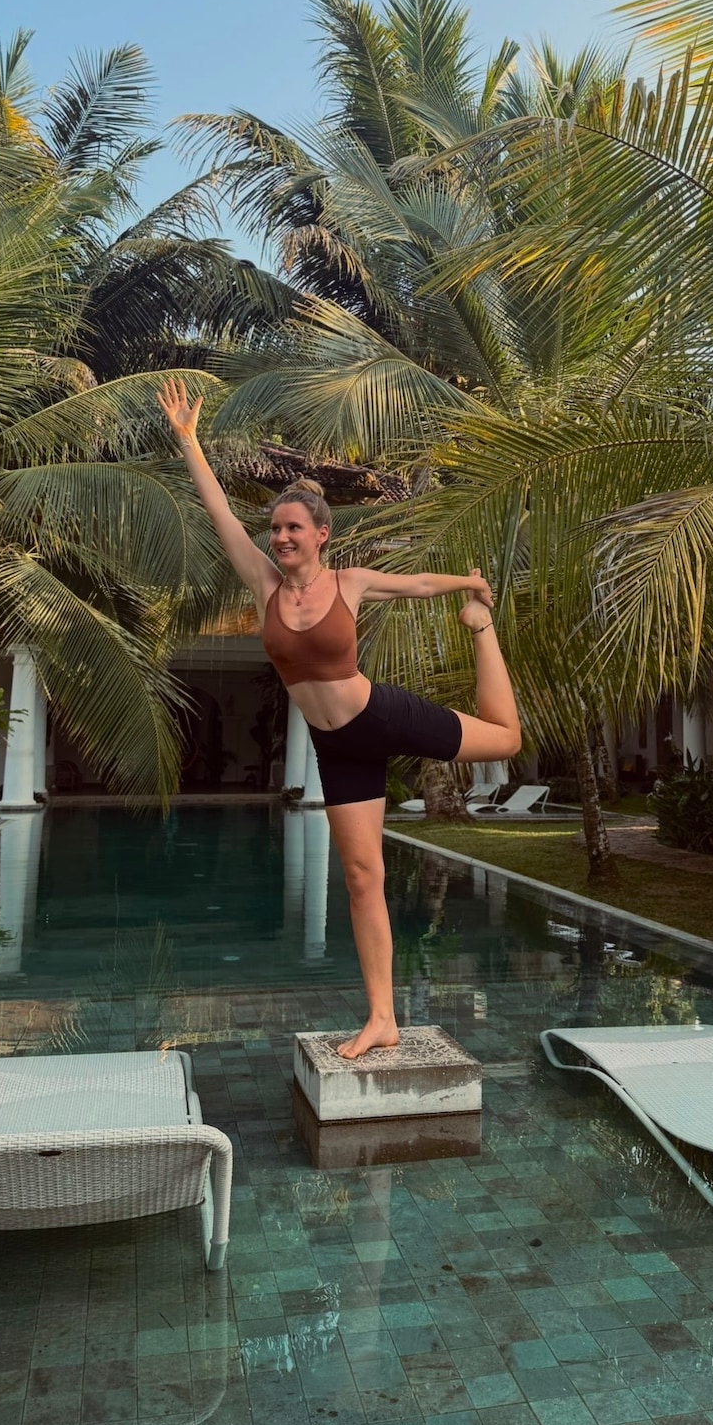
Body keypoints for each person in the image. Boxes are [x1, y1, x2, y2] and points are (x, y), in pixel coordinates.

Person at [157, 379, 521, 1059]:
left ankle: (484, 632)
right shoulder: (263, 582)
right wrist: (189, 443)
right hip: (337, 746)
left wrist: (470, 591)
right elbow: (221, 519)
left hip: (379, 715)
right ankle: (383, 1015)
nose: (281, 535)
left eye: (294, 527)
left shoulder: (347, 583)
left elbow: (413, 586)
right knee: (361, 876)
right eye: (277, 528)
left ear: (322, 534)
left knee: (505, 737)